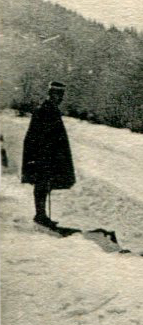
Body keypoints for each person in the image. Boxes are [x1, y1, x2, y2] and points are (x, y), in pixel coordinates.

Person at [21, 81, 75, 227]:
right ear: (51, 94)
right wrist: (40, 155)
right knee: (41, 184)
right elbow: (35, 135)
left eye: (61, 95)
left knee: (44, 184)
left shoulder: (51, 109)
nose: (60, 98)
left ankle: (41, 215)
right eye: (58, 94)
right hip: (43, 156)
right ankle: (40, 215)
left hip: (48, 155)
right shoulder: (44, 110)